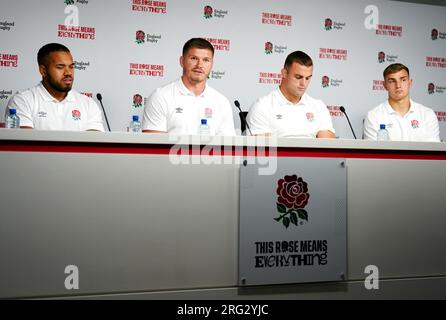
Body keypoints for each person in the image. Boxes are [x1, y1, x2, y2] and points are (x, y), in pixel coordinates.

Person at [142, 38, 236, 136]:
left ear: (211, 65)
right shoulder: (160, 96)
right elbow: (153, 146)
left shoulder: (222, 102)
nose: (199, 65)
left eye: (206, 60)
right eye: (194, 58)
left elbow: (227, 146)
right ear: (182, 61)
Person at [5, 43, 105, 131]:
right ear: (43, 71)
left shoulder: (88, 104)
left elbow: (94, 146)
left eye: (71, 66)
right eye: (60, 67)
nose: (68, 73)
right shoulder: (22, 101)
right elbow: (23, 146)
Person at [246, 51, 335, 138]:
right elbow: (262, 150)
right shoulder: (262, 106)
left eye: (307, 78)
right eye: (298, 77)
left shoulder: (318, 106)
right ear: (284, 73)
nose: (303, 83)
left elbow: (327, 148)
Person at [363, 63, 440, 142]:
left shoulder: (427, 114)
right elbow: (374, 153)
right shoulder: (374, 116)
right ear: (385, 85)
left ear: (410, 83)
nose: (398, 85)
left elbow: (433, 152)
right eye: (392, 81)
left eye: (403, 80)